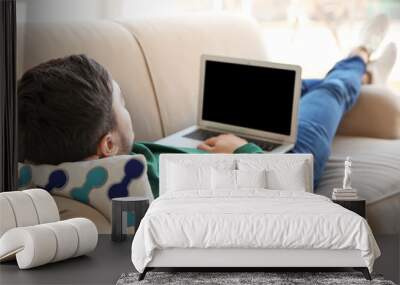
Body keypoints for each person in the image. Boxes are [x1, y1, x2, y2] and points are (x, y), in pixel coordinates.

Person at [18, 15, 397, 197]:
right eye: (124, 103)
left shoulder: (55, 168)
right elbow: (279, 189)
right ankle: (359, 58)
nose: (127, 108)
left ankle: (357, 76)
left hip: (210, 151)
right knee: (328, 92)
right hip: (284, 166)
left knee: (300, 87)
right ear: (107, 146)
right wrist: (244, 149)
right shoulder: (147, 188)